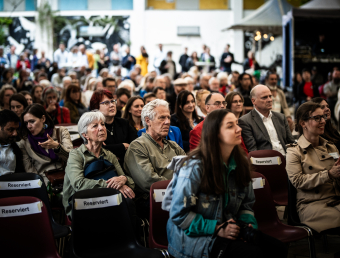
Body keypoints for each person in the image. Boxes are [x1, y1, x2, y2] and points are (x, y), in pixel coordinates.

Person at [166, 109, 287, 258]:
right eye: (230, 126)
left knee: (278, 249)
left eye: (237, 123)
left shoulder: (240, 163)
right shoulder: (194, 168)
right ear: (215, 133)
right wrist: (217, 228)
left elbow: (246, 205)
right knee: (253, 254)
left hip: (228, 229)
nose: (239, 129)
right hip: (194, 239)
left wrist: (248, 225)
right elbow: (179, 214)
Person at [287, 102, 340, 258]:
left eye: (323, 117)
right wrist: (329, 174)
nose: (323, 121)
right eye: (317, 118)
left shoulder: (331, 148)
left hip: (336, 199)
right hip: (312, 204)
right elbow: (297, 181)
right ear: (303, 123)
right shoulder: (294, 151)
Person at [62, 111, 135, 217]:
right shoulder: (76, 155)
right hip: (82, 203)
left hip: (108, 198)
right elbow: (79, 184)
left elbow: (129, 182)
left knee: (128, 202)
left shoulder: (110, 155)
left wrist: (124, 179)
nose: (101, 128)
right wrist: (112, 186)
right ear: (85, 135)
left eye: (102, 124)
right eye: (95, 126)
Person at [124, 100, 185, 214]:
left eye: (168, 117)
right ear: (148, 121)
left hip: (178, 194)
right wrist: (180, 187)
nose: (167, 122)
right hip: (153, 199)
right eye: (162, 118)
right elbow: (149, 181)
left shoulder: (173, 145)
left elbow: (189, 170)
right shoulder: (137, 146)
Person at [17, 104, 73, 183]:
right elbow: (30, 171)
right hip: (44, 182)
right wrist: (44, 188)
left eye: (32, 121)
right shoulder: (24, 143)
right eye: (26, 123)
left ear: (43, 118)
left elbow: (72, 158)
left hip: (67, 178)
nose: (29, 126)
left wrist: (57, 147)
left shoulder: (60, 132)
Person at [239, 85, 295, 154]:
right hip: (266, 161)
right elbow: (253, 151)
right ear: (254, 101)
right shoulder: (245, 121)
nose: (269, 100)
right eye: (264, 97)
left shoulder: (281, 117)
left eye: (270, 96)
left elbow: (291, 142)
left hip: (286, 158)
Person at [90, 89, 137, 161]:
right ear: (96, 107)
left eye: (112, 101)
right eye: (106, 103)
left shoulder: (124, 123)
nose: (112, 105)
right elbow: (98, 150)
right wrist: (123, 146)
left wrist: (111, 148)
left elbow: (136, 145)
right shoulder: (94, 128)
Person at [311, 97, 340, 163]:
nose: (327, 109)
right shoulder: (316, 135)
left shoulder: (332, 130)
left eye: (327, 106)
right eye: (322, 107)